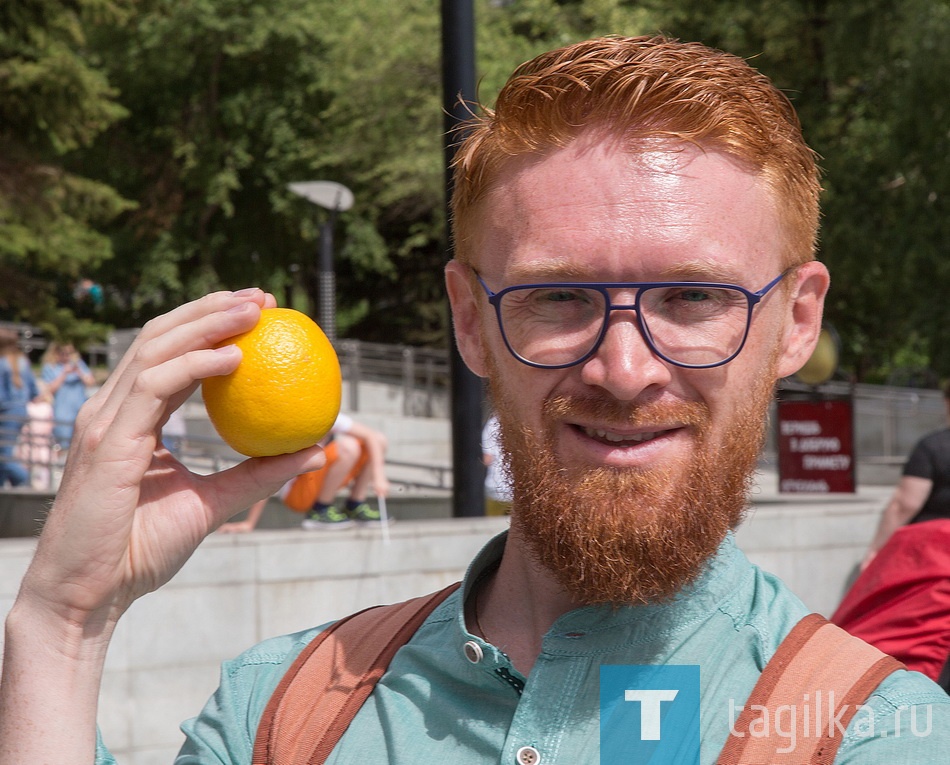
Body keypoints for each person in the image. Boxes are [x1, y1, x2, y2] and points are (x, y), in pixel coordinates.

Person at [2, 35, 949, 764]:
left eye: (695, 297)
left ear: (795, 320)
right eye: (558, 298)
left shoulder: (880, 733)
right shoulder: (286, 715)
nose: (624, 369)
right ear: (469, 318)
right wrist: (64, 620)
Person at [217, 414, 392, 532]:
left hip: (316, 482)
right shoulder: (294, 423)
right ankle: (320, 511)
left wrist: (379, 476)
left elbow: (372, 437)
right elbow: (271, 472)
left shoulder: (328, 415)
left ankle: (355, 505)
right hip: (297, 494)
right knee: (348, 447)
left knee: (378, 441)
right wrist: (250, 523)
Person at [861, 381, 950, 568]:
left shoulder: (933, 446)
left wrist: (876, 550)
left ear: (946, 402)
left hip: (937, 555)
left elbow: (905, 504)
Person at [0, 328, 40, 487]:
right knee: (5, 455)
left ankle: (26, 482)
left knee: (4, 458)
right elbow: (34, 392)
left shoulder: (2, 363)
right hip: (20, 411)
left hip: (6, 413)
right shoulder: (23, 361)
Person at [41, 341, 96, 449]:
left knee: (80, 442)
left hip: (79, 407)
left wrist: (79, 372)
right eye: (63, 353)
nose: (67, 356)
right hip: (61, 410)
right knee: (63, 442)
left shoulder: (78, 364)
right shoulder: (50, 367)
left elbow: (90, 382)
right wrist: (64, 374)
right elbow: (49, 390)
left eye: (69, 353)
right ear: (56, 353)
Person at [481, 412, 512, 515]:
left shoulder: (492, 424)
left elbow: (487, 459)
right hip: (517, 489)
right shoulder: (522, 422)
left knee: (493, 527)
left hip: (495, 486)